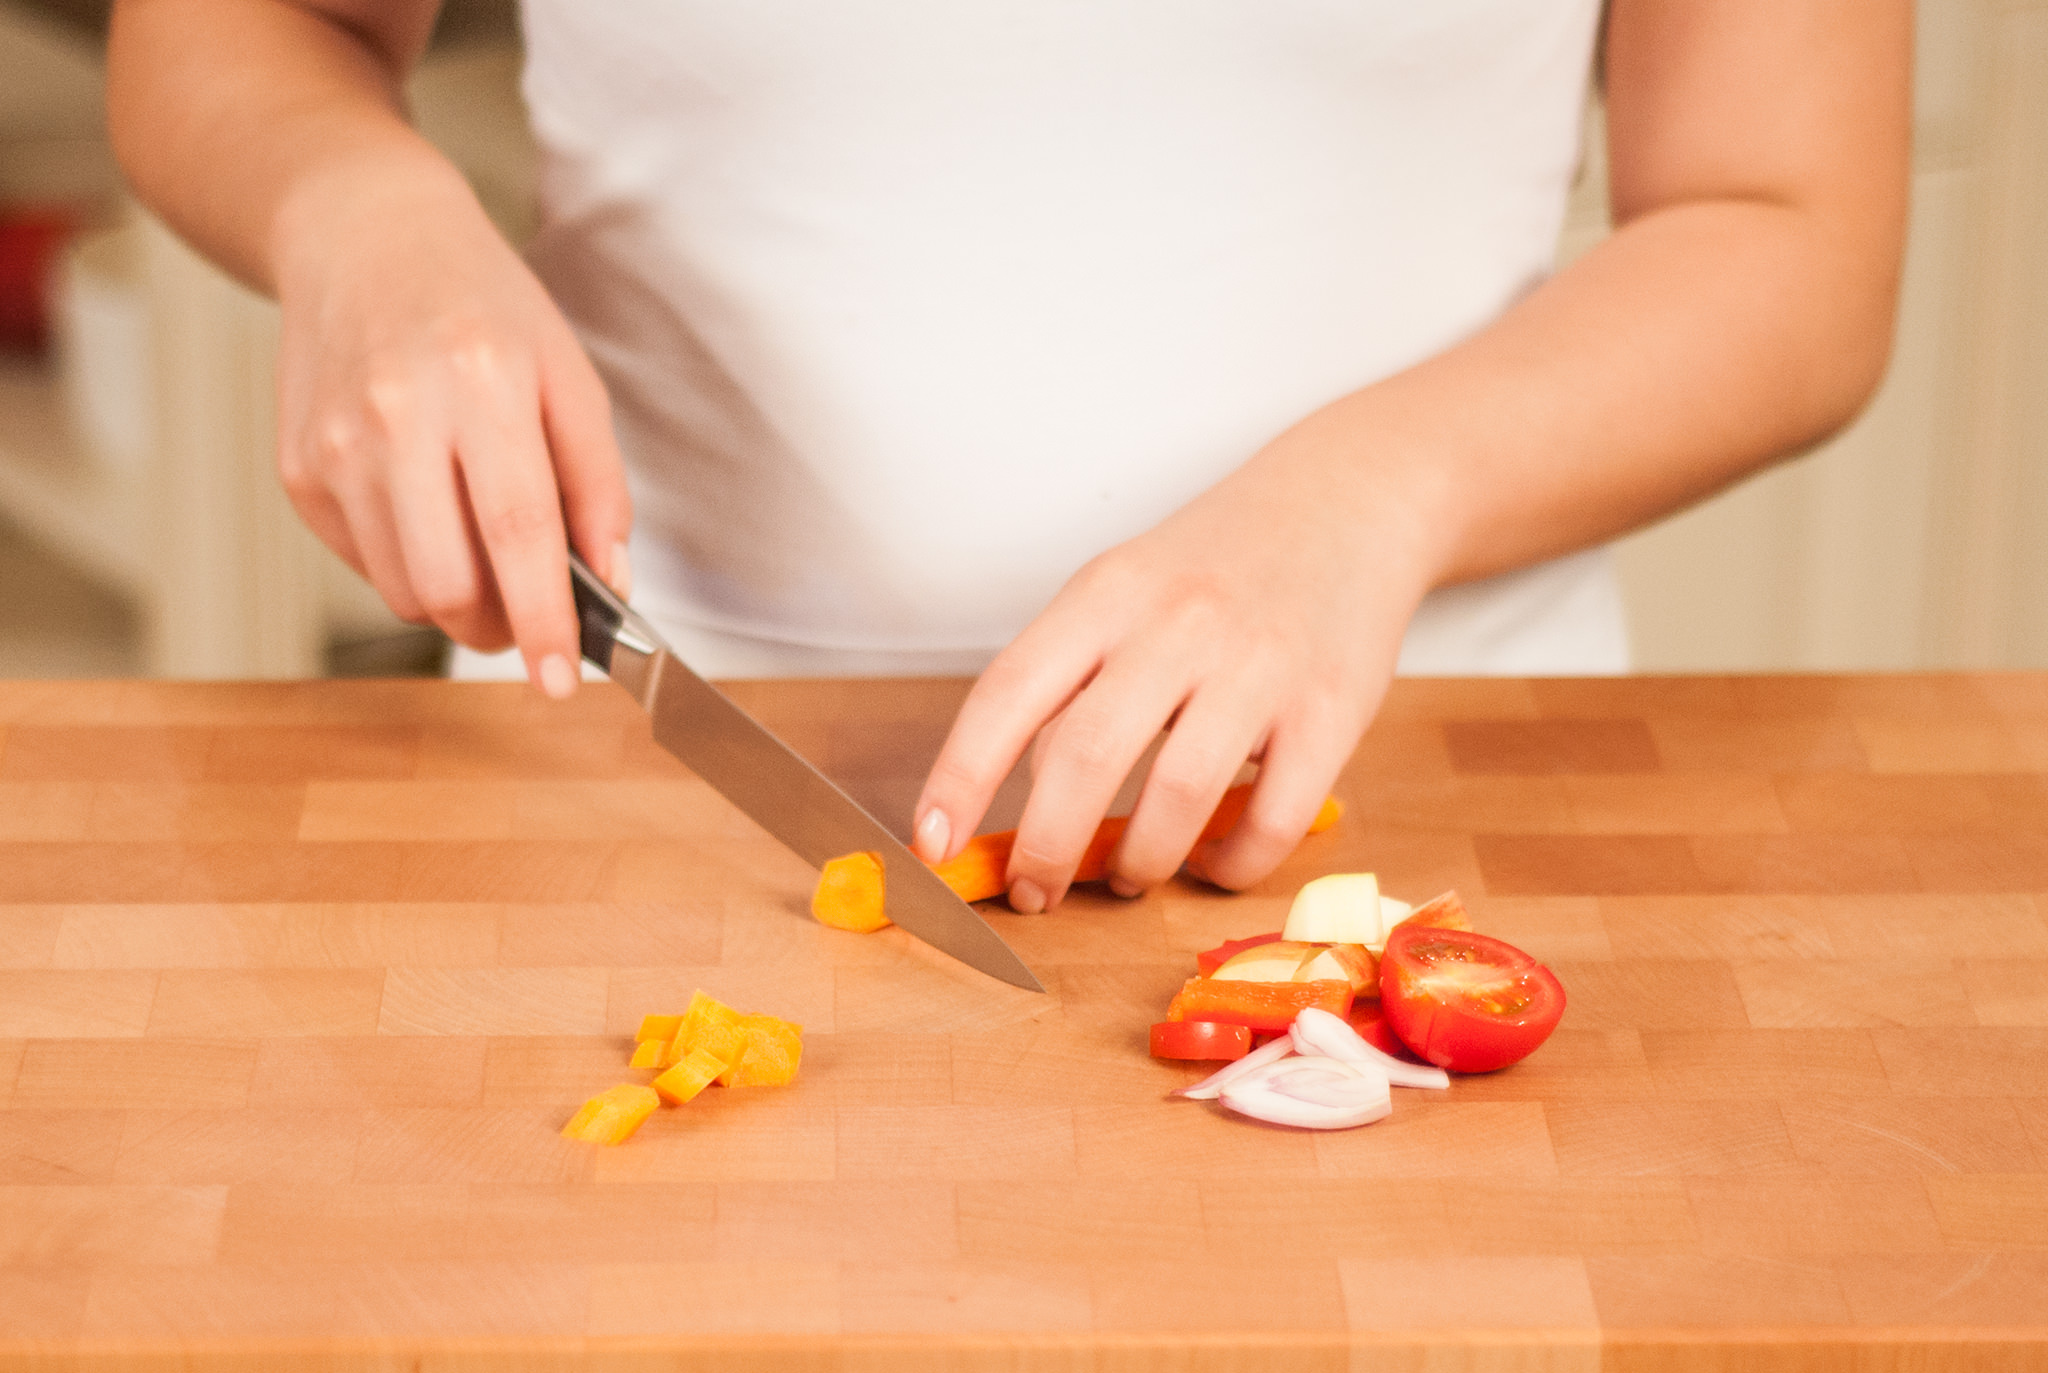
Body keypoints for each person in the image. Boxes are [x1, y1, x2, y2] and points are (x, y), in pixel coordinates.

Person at [106, 0, 1908, 912]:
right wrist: (355, 210)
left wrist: (1368, 497)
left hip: (1422, 796)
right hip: (628, 776)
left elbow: (1792, 225)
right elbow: (238, 25)